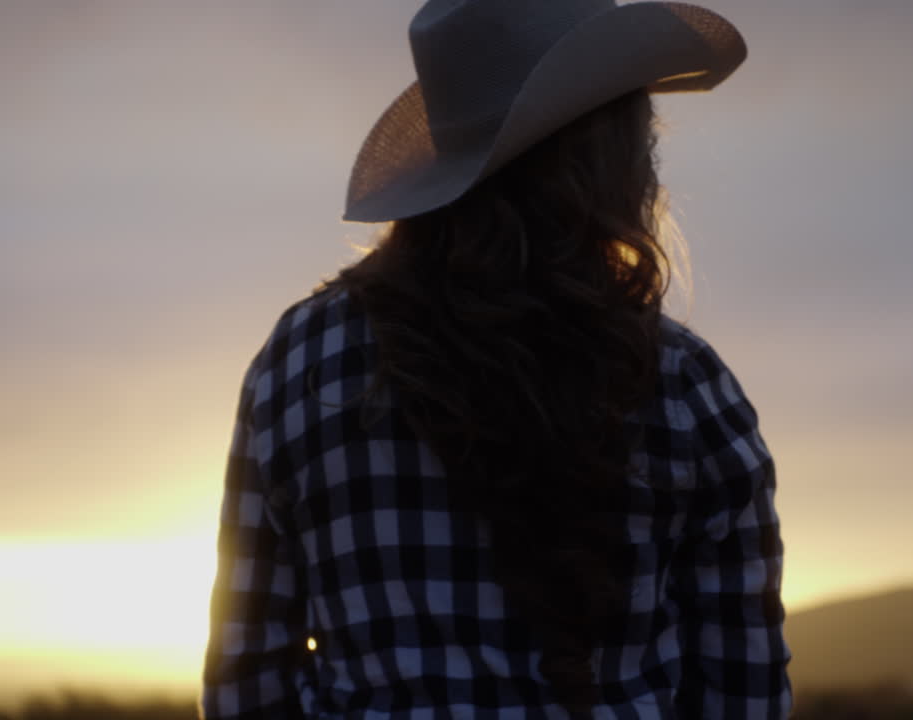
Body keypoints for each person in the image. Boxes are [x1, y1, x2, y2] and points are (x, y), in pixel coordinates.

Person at [200, 0, 791, 717]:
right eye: (646, 140)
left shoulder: (299, 365)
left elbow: (246, 683)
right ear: (607, 155)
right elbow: (744, 697)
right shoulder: (687, 390)